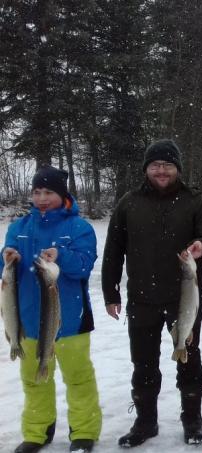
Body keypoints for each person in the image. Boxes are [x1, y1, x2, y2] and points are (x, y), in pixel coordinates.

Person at [102, 139, 202, 447]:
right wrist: (110, 292)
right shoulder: (129, 202)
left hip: (183, 299)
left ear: (177, 168)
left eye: (168, 165)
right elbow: (113, 250)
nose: (162, 171)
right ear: (146, 168)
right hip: (141, 299)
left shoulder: (194, 201)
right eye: (155, 165)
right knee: (143, 364)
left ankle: (192, 420)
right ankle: (145, 422)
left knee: (189, 360)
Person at [3, 166, 101, 453]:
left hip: (71, 320)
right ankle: (36, 432)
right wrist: (6, 257)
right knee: (34, 380)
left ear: (62, 195)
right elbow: (5, 271)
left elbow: (83, 266)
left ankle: (83, 432)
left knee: (78, 378)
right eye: (37, 192)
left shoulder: (79, 228)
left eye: (48, 192)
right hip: (28, 320)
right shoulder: (19, 228)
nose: (42, 198)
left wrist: (61, 255)